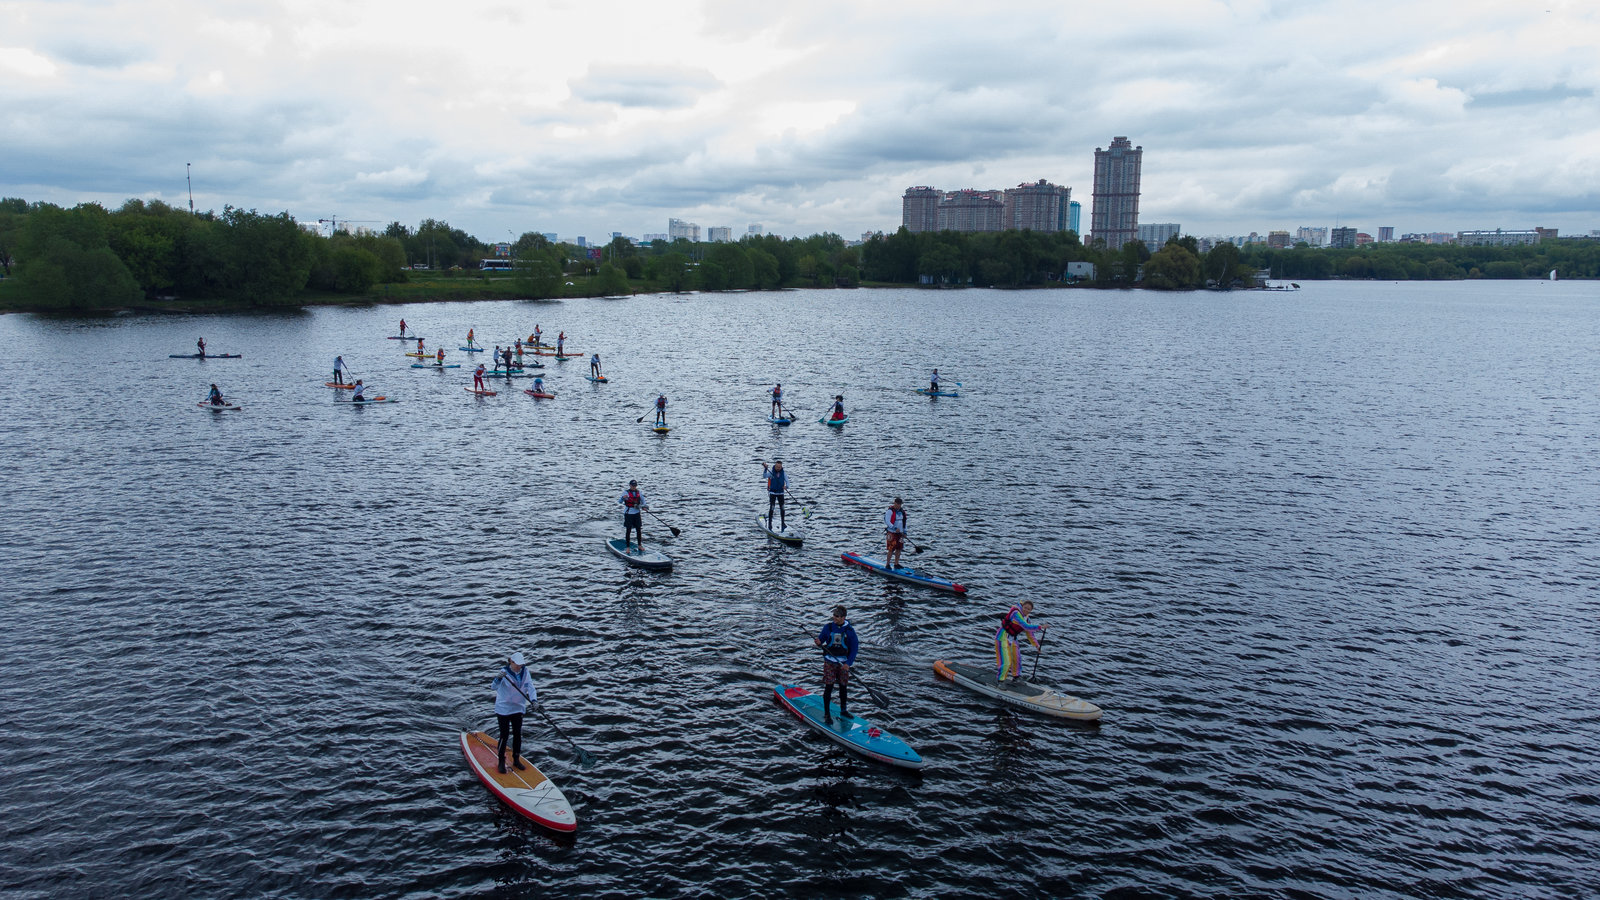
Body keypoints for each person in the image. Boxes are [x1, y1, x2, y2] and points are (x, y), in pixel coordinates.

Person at [490, 651, 536, 774]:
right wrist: (498, 678)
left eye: (521, 664)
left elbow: (530, 687)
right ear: (511, 662)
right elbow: (493, 687)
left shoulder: (525, 672)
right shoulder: (504, 672)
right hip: (504, 709)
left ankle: (516, 759)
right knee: (504, 736)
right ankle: (501, 761)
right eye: (517, 664)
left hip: (518, 708)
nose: (519, 667)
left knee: (517, 734)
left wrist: (534, 700)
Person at [814, 606, 858, 723]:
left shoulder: (849, 631)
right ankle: (827, 714)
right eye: (834, 615)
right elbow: (821, 640)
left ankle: (843, 710)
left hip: (843, 663)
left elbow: (854, 649)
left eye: (837, 616)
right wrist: (818, 642)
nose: (835, 618)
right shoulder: (828, 627)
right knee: (829, 686)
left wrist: (848, 663)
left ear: (843, 617)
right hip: (829, 661)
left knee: (843, 687)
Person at [995, 601, 1046, 683]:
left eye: (1028, 609)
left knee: (1017, 658)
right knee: (1007, 662)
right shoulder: (1016, 613)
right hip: (1002, 636)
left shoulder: (1027, 619)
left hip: (1012, 638)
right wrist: (1040, 627)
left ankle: (1016, 677)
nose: (1026, 610)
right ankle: (1000, 681)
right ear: (1022, 607)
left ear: (1031, 611)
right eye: (1025, 608)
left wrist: (1037, 646)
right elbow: (1026, 626)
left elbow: (1030, 634)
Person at [618, 479, 647, 552]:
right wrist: (623, 498)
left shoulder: (639, 492)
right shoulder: (626, 492)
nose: (634, 487)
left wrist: (644, 507)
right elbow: (620, 501)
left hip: (637, 513)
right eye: (632, 486)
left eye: (635, 486)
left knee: (638, 529)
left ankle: (639, 545)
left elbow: (643, 502)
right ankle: (627, 547)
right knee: (628, 530)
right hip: (629, 513)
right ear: (630, 485)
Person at [762, 460, 788, 530]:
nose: (778, 468)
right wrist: (765, 469)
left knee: (782, 508)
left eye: (779, 467)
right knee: (772, 507)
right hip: (773, 493)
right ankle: (770, 523)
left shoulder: (784, 473)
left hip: (781, 493)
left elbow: (787, 481)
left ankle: (783, 522)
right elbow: (764, 476)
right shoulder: (771, 472)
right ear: (775, 466)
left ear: (781, 467)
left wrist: (786, 486)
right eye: (777, 467)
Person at [884, 497, 907, 569]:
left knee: (899, 548)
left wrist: (905, 531)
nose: (899, 506)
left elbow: (904, 523)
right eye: (898, 504)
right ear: (894, 503)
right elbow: (887, 521)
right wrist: (894, 527)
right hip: (892, 533)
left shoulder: (902, 512)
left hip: (900, 533)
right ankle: (887, 564)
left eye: (900, 504)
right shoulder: (890, 511)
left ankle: (896, 564)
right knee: (891, 549)